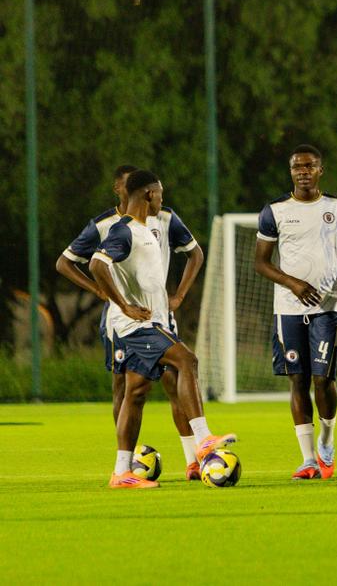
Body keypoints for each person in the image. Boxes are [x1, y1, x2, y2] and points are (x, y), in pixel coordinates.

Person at [57, 164, 206, 480]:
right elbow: (73, 263)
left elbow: (195, 254)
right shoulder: (113, 226)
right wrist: (109, 295)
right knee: (165, 371)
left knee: (144, 388)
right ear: (122, 190)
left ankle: (144, 467)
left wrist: (176, 297)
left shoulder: (162, 220)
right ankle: (203, 445)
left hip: (157, 318)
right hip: (130, 323)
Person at [90, 170, 234, 488]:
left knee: (136, 393)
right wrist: (123, 304)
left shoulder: (144, 229)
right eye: (160, 193)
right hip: (134, 326)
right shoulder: (125, 230)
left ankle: (121, 472)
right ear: (148, 195)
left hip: (147, 322)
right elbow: (97, 265)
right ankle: (204, 439)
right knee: (187, 360)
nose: (162, 199)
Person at [254, 144, 337, 480]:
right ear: (290, 172)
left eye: (309, 166)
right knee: (298, 380)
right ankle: (307, 460)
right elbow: (261, 262)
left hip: (328, 307)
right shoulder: (274, 211)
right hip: (288, 309)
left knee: (323, 379)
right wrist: (292, 283)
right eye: (296, 167)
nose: (303, 172)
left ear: (321, 169)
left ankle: (327, 438)